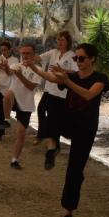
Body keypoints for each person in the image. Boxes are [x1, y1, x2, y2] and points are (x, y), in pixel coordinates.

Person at [29, 43, 109, 217]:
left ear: (92, 59)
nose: (78, 62)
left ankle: (68, 211)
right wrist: (33, 67)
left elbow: (88, 95)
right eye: (76, 58)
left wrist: (67, 81)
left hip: (86, 128)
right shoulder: (71, 76)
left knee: (74, 171)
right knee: (52, 102)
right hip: (69, 122)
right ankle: (52, 146)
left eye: (81, 58)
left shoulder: (100, 78)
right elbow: (51, 77)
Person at [35, 31, 77, 167]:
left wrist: (62, 71)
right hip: (49, 88)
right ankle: (42, 134)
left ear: (68, 42)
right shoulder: (53, 52)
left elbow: (76, 72)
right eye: (58, 39)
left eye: (62, 40)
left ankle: (53, 145)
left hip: (61, 93)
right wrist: (28, 56)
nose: (59, 42)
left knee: (54, 118)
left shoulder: (72, 56)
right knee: (41, 109)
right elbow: (39, 58)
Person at [1, 43, 43, 169]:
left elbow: (31, 87)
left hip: (25, 103)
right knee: (8, 94)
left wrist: (19, 75)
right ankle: (7, 119)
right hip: (13, 98)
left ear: (34, 54)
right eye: (23, 53)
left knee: (21, 133)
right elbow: (9, 72)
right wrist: (5, 67)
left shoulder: (38, 70)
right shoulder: (16, 65)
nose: (25, 55)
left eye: (28, 53)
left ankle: (15, 159)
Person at [0, 41, 18, 141]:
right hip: (0, 87)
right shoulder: (0, 58)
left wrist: (2, 67)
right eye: (2, 50)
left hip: (11, 87)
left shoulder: (14, 60)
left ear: (10, 50)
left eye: (5, 50)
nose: (3, 52)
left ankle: (18, 126)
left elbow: (10, 73)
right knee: (0, 111)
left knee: (15, 108)